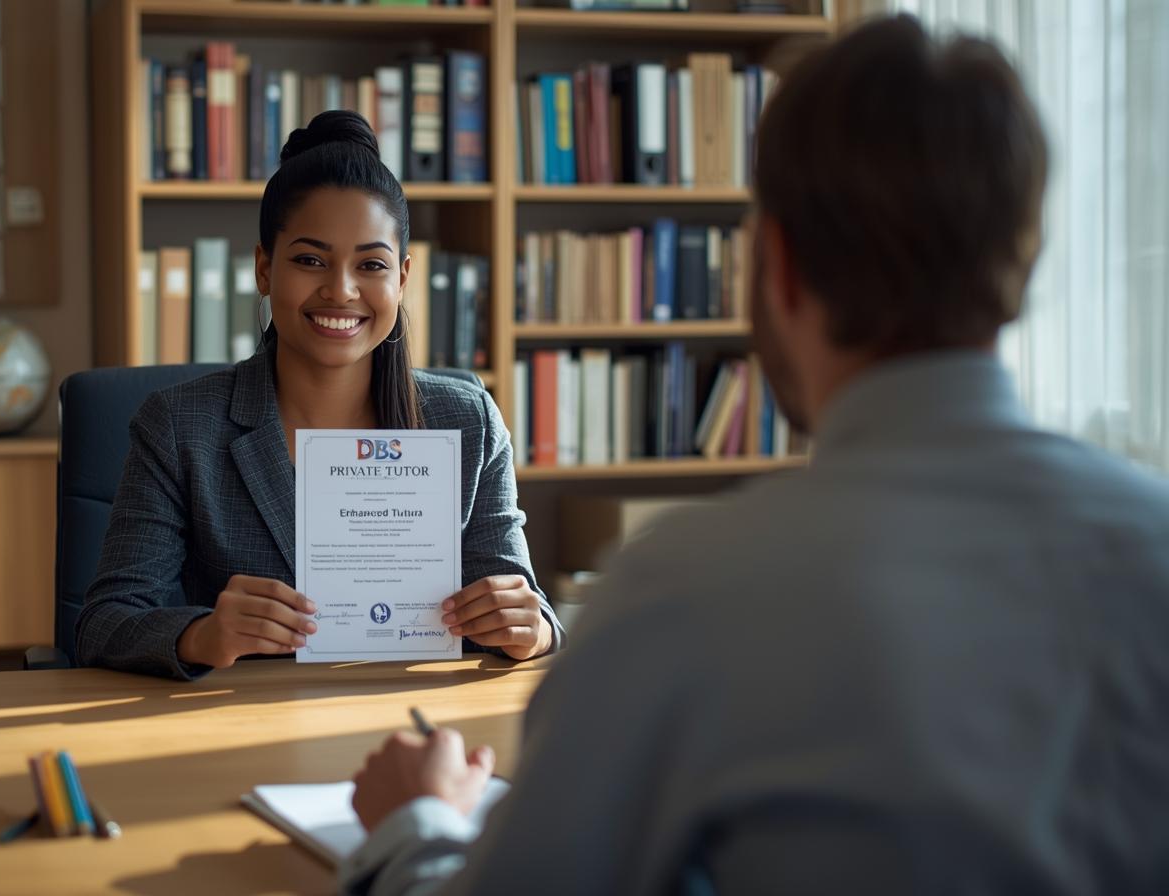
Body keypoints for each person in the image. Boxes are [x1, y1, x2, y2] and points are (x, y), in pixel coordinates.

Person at [343, 15, 1169, 895]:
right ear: (1026, 255)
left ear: (774, 264)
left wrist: (416, 822)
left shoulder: (683, 588)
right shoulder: (1153, 545)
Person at [76, 111, 563, 680]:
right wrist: (201, 634)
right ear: (264, 268)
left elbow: (525, 607)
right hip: (243, 731)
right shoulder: (181, 426)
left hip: (416, 724)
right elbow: (104, 624)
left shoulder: (467, 422)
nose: (341, 290)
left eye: (371, 265)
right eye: (310, 260)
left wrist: (535, 629)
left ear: (402, 278)